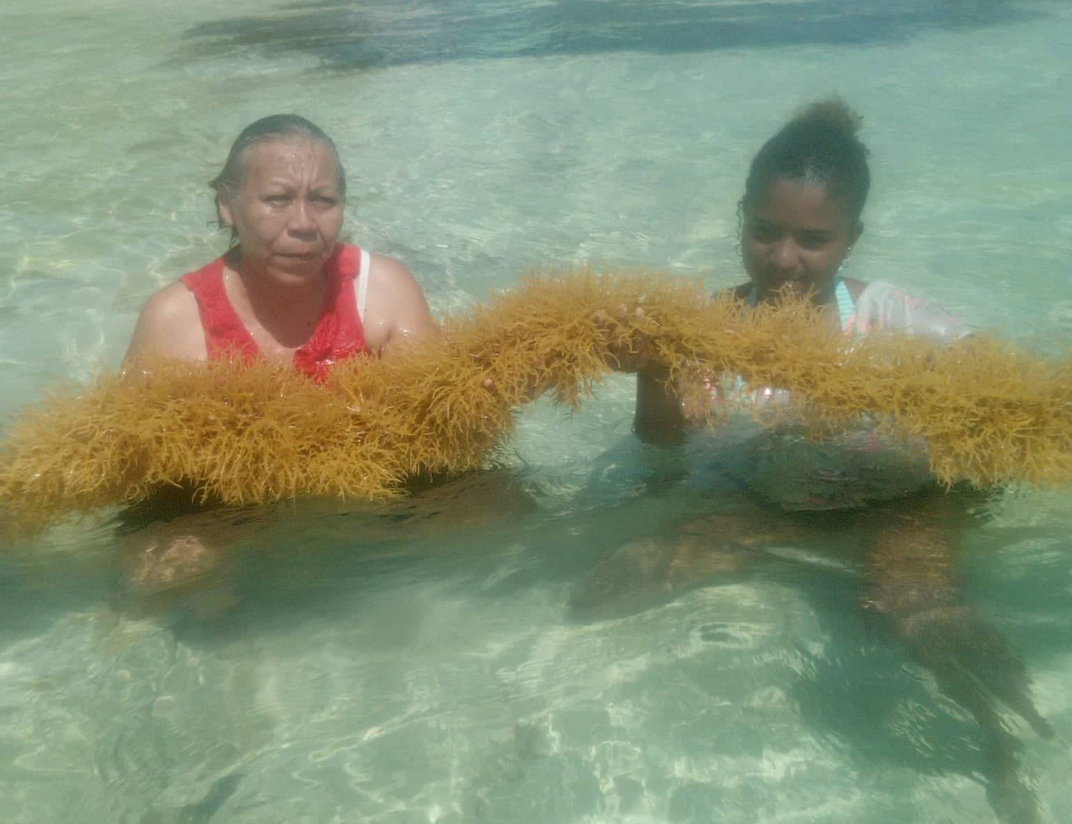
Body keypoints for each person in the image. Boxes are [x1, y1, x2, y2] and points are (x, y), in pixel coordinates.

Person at [587, 98, 1052, 824]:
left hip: (899, 502)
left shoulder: (897, 321)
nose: (783, 259)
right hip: (761, 503)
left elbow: (1003, 410)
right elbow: (662, 452)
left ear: (851, 239)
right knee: (608, 592)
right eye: (764, 232)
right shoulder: (701, 328)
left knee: (913, 610)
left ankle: (1005, 743)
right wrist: (650, 371)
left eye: (813, 239)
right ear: (741, 217)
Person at [124, 114, 436, 376]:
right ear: (227, 205)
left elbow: (434, 422)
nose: (303, 223)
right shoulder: (173, 324)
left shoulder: (385, 295)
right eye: (278, 199)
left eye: (323, 200)